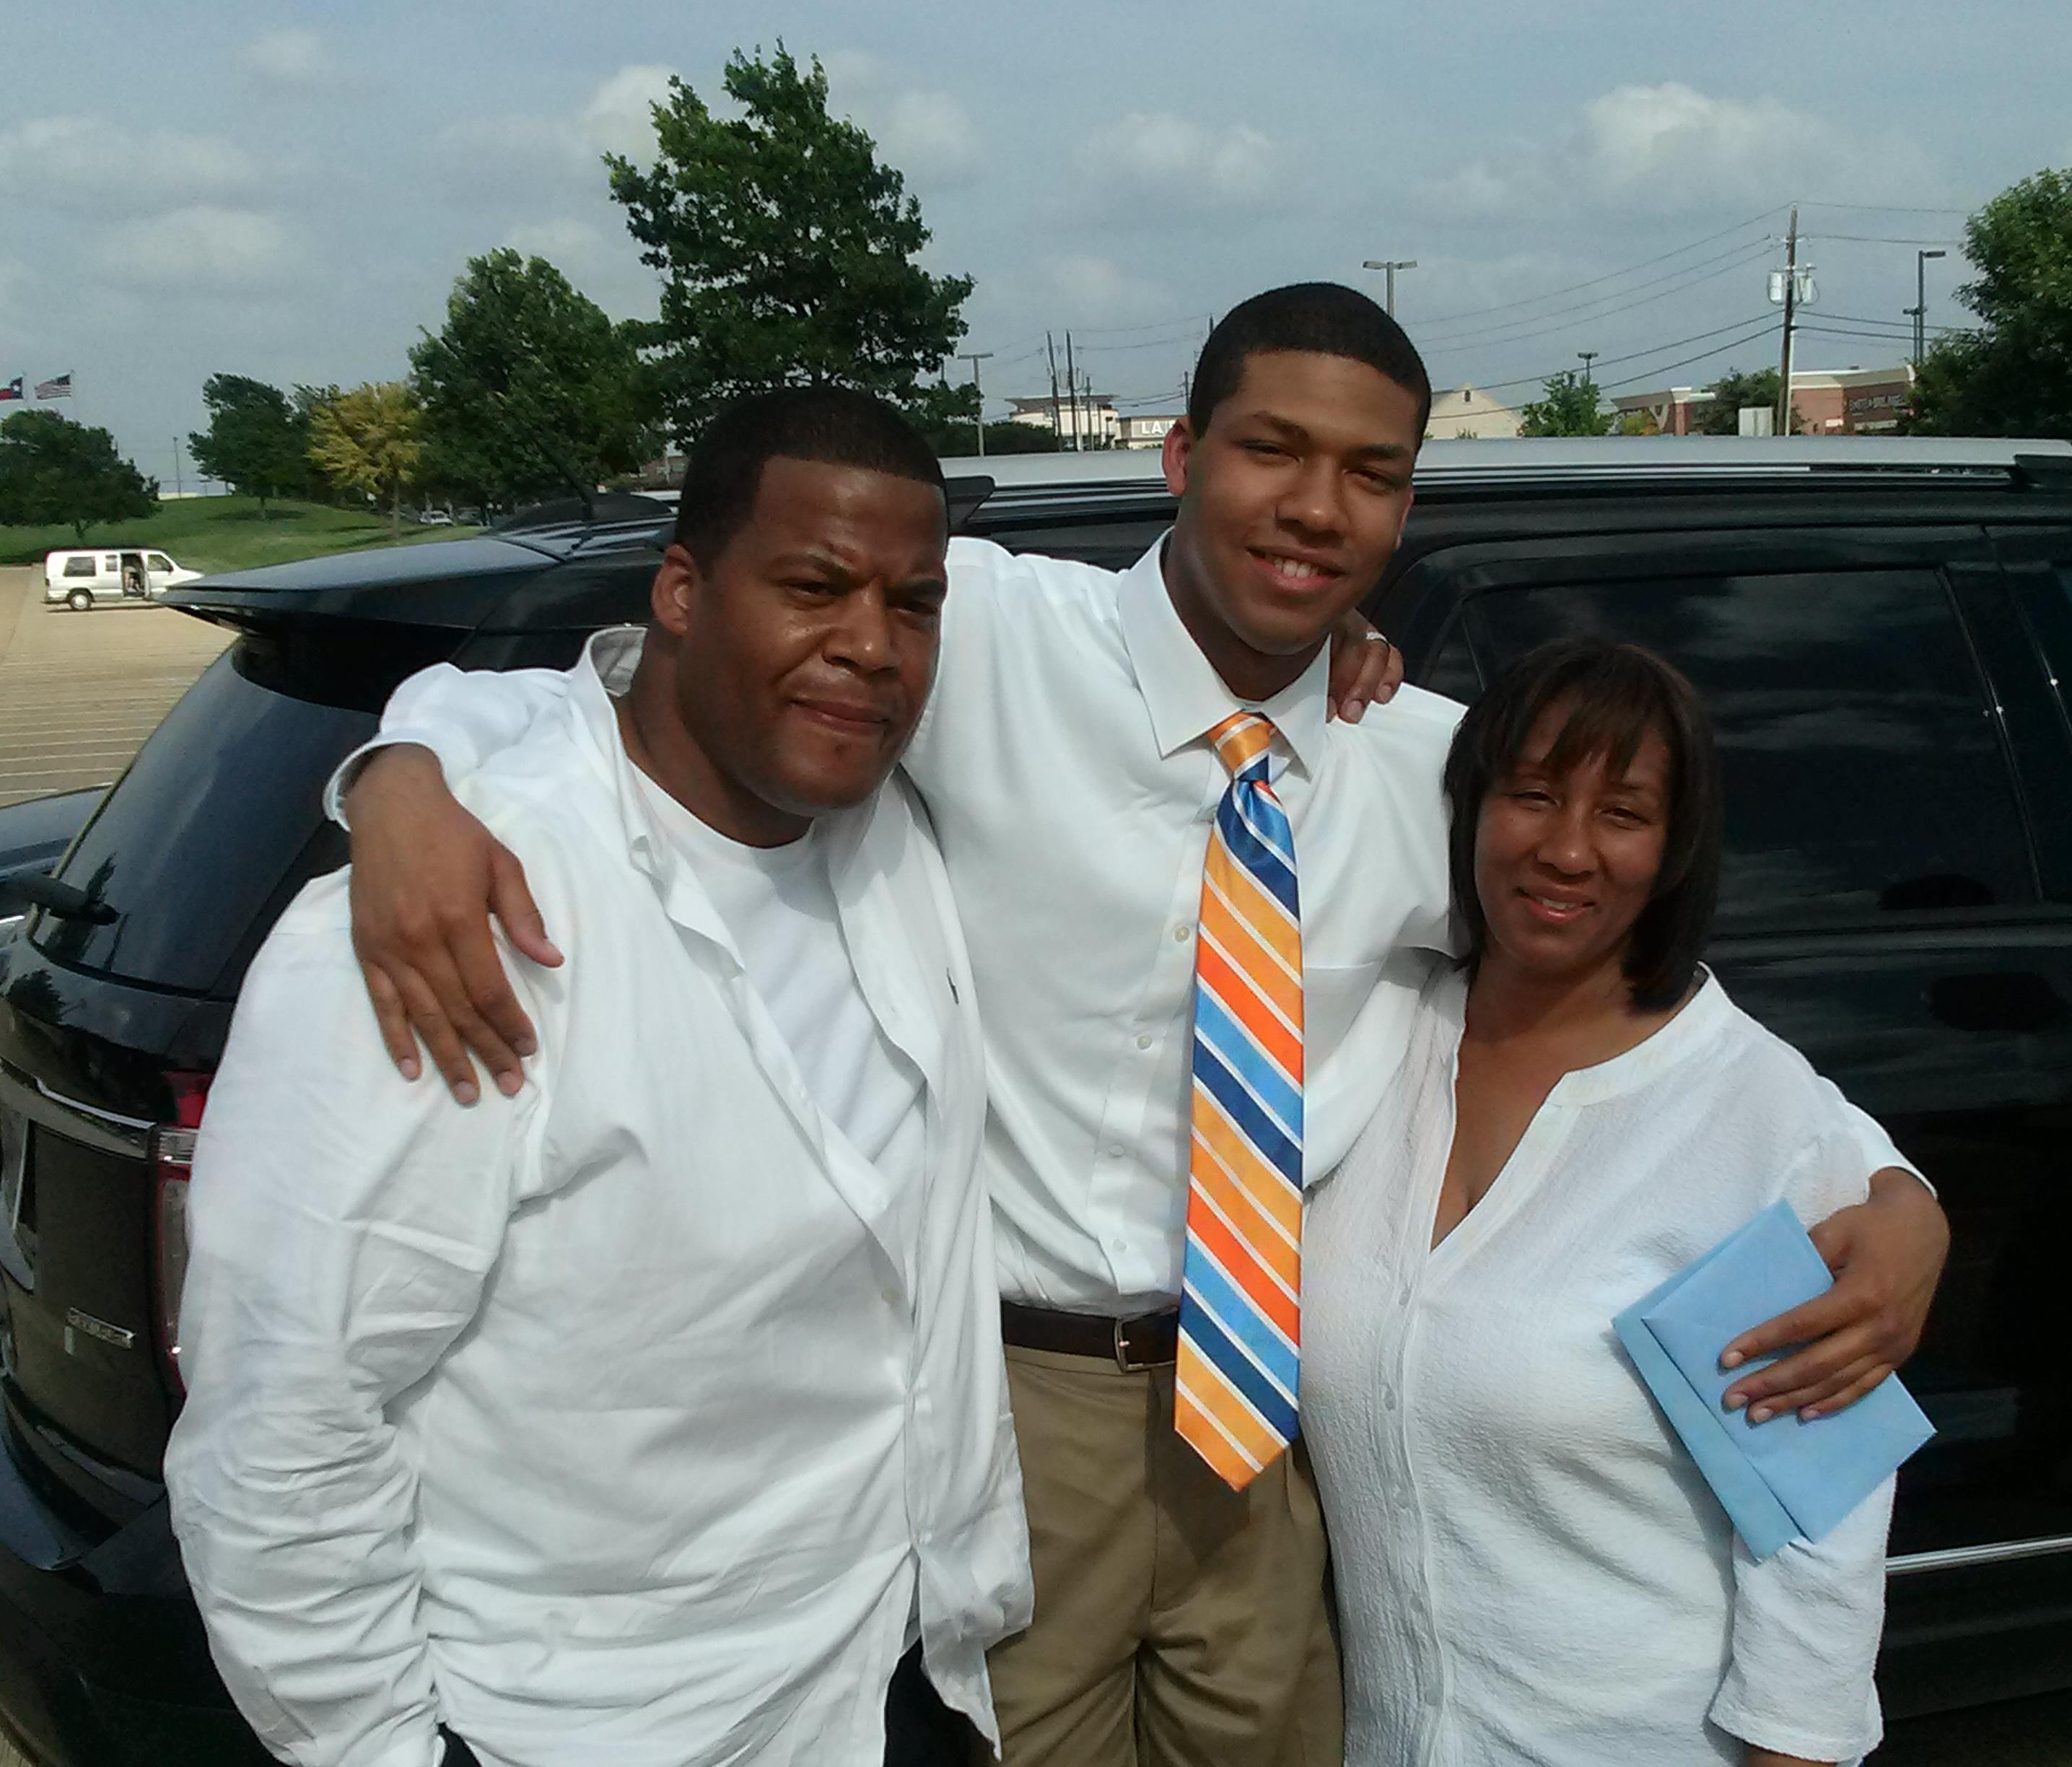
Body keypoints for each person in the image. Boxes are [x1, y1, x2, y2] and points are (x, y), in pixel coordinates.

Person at [325, 285, 1949, 1767]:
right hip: (1023, 1401)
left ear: (1404, 508)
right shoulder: (993, 642)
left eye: (1371, 473)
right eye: (1272, 451)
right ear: (1181, 452)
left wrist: (1892, 1194)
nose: (1316, 506)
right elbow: (670, 682)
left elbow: (1654, 1006)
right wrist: (410, 767)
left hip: (1281, 1416)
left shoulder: (1439, 770)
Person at [162, 388, 1030, 1767]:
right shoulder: (456, 925)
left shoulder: (886, 839)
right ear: (682, 590)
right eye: (813, 586)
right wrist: (384, 1748)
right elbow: (289, 1411)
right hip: (586, 1725)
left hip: (893, 1672)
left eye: (911, 603)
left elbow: (1202, 617)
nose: (868, 644)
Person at [1305, 638, 1900, 1767]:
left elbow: (1820, 1532)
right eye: (1531, 795)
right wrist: (1333, 642)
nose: (1566, 849)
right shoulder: (1377, 1040)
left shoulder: (1749, 1114)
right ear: (1472, 806)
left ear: (1676, 851)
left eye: (1622, 814)